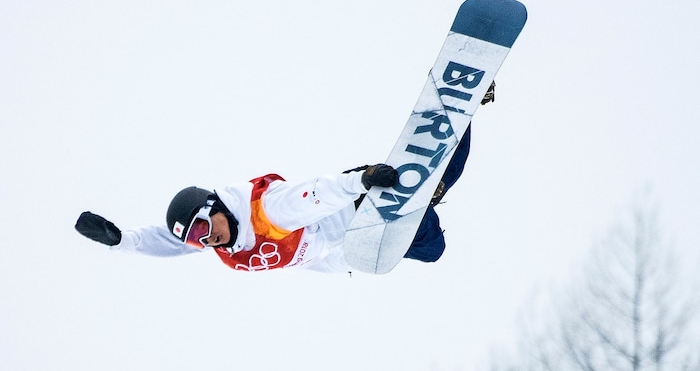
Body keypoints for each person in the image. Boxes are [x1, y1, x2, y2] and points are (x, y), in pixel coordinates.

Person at [75, 121, 475, 273]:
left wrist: (361, 183)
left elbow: (314, 194)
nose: (205, 239)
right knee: (431, 248)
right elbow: (169, 242)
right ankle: (429, 184)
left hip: (355, 205)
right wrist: (123, 242)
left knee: (432, 218)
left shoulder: (266, 212)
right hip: (347, 243)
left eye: (202, 228)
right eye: (197, 239)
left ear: (215, 207)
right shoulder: (226, 241)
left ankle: (460, 118)